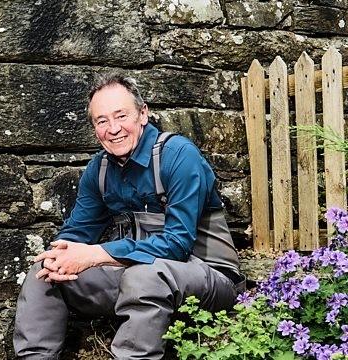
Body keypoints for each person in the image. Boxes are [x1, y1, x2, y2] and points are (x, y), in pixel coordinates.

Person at [13, 73, 243, 359]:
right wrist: (60, 256)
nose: (113, 128)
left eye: (121, 115)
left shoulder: (179, 155)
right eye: (102, 121)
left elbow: (177, 245)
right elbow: (77, 233)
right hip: (134, 276)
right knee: (44, 274)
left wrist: (96, 254)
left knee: (144, 277)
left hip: (209, 278)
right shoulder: (98, 171)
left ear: (143, 114)